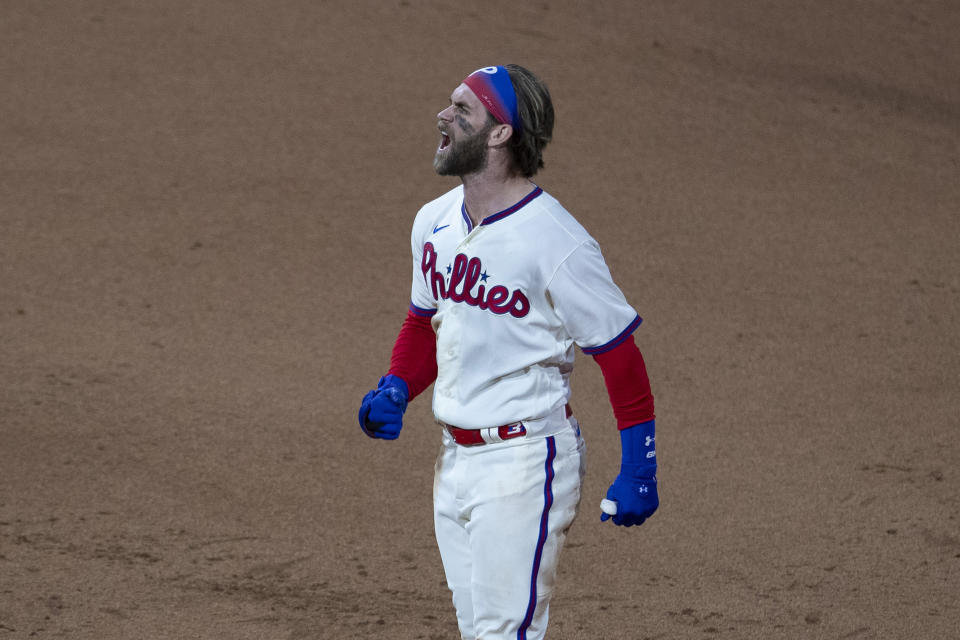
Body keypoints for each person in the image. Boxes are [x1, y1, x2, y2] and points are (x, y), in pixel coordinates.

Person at [358, 64, 658, 640]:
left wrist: (639, 467)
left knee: (502, 634)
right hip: (455, 461)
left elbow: (620, 355)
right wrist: (397, 385)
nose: (443, 116)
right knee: (483, 632)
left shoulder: (557, 241)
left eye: (462, 110)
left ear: (500, 134)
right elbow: (425, 323)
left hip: (525, 461)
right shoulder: (434, 221)